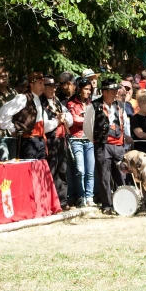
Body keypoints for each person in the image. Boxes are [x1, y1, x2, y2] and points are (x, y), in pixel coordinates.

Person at [83, 79, 128, 215]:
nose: (116, 93)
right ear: (105, 91)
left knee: (121, 174)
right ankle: (107, 205)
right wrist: (98, 140)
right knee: (104, 176)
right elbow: (88, 127)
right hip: (102, 145)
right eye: (113, 90)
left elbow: (124, 123)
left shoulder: (120, 105)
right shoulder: (94, 106)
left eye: (116, 90)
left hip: (119, 145)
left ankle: (124, 203)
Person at [0, 72, 52, 160]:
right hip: (29, 142)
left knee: (40, 169)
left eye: (43, 84)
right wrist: (12, 129)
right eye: (40, 83)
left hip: (40, 140)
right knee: (29, 169)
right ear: (31, 85)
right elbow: (4, 112)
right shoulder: (22, 98)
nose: (43, 87)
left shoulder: (40, 99)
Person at [40, 75, 73, 210]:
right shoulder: (40, 103)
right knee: (51, 172)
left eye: (55, 86)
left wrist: (65, 118)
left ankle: (62, 202)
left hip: (61, 140)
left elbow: (70, 119)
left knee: (62, 171)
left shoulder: (57, 101)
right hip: (50, 141)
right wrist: (58, 121)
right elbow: (44, 125)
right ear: (44, 88)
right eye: (50, 87)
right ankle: (50, 203)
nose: (54, 89)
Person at [67, 78, 95, 207]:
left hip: (89, 139)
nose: (88, 91)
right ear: (79, 89)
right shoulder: (71, 103)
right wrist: (88, 119)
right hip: (76, 139)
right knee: (80, 170)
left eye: (90, 89)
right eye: (86, 89)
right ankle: (81, 196)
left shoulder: (92, 103)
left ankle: (89, 197)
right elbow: (74, 119)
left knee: (90, 170)